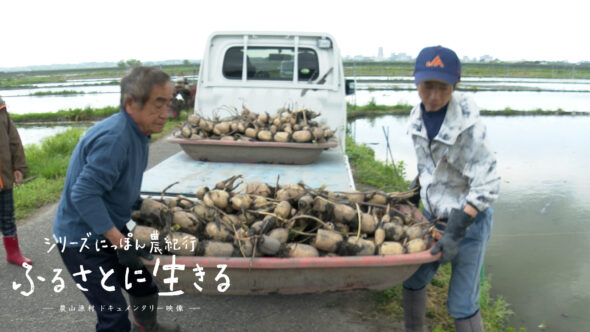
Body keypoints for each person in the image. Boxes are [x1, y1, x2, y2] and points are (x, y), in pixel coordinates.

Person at [53, 66, 180, 332]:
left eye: (169, 103)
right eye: (158, 103)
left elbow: (118, 186)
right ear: (131, 103)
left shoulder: (139, 133)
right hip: (81, 240)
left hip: (109, 225)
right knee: (113, 317)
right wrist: (120, 241)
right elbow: (84, 193)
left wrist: (141, 205)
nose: (166, 113)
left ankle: (148, 327)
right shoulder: (115, 139)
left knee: (142, 284)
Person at [403, 46, 501, 332]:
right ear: (415, 81)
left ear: (455, 84)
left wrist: (457, 230)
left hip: (469, 218)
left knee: (461, 303)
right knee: (412, 278)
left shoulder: (469, 126)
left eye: (443, 88)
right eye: (427, 87)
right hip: (431, 217)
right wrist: (414, 188)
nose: (434, 97)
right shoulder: (416, 117)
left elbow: (489, 181)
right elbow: (428, 164)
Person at [0, 96, 33, 267]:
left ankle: (14, 253)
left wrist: (18, 166)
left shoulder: (1, 107)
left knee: (7, 216)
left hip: (3, 175)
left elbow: (13, 139)